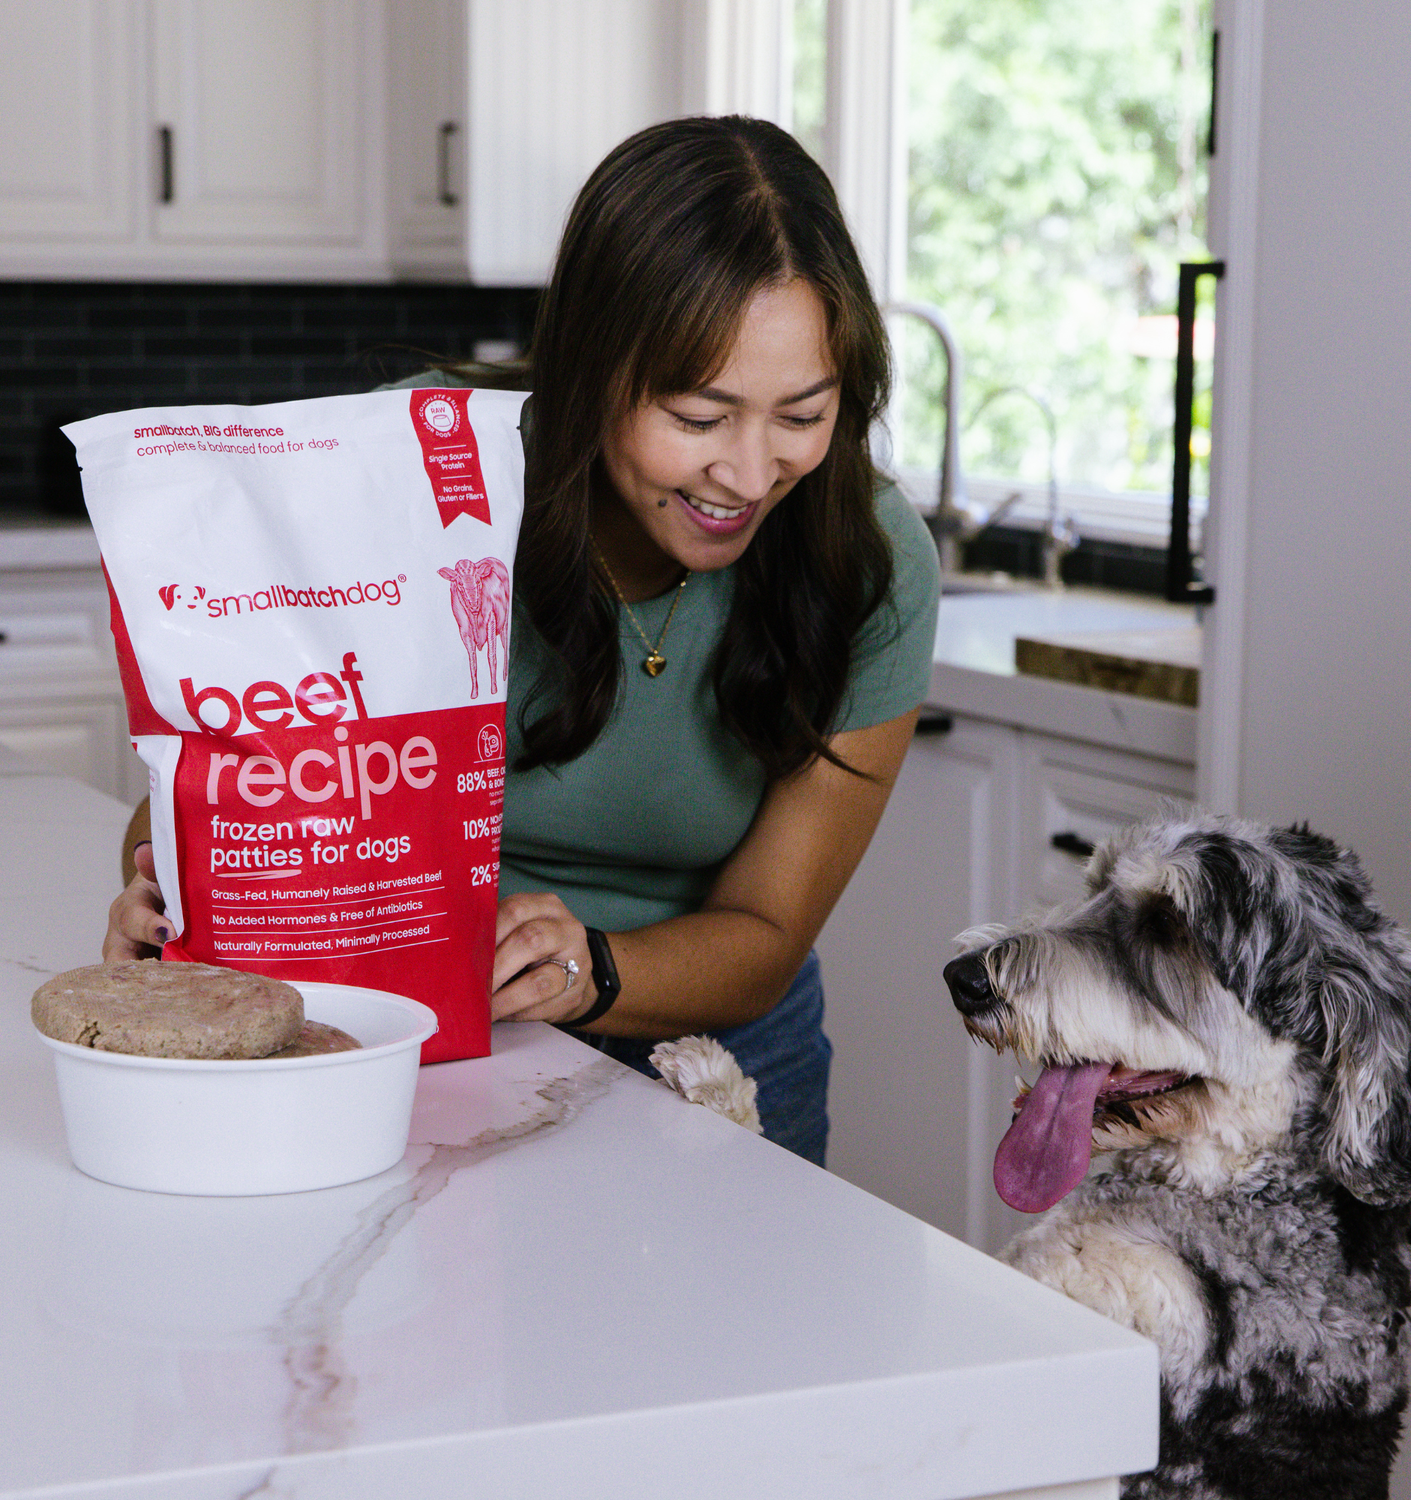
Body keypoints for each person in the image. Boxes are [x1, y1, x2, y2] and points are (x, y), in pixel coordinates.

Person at [106, 115, 941, 1165]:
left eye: (802, 413)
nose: (748, 471)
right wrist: (176, 890)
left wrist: (590, 966)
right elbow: (231, 763)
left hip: (715, 1067)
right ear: (593, 369)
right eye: (698, 414)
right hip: (410, 1035)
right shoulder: (415, 474)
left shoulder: (870, 559)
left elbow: (768, 938)